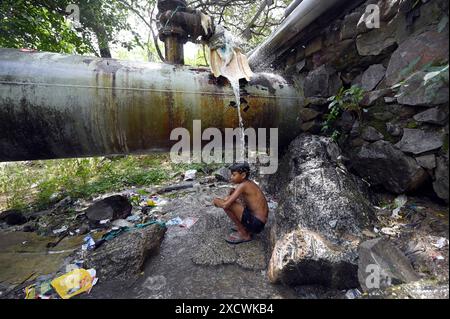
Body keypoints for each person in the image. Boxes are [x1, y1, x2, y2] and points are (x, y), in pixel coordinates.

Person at [213, 162, 269, 244]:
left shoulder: (243, 185)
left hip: (256, 224)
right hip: (258, 223)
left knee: (227, 204)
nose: (231, 177)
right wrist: (233, 195)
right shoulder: (248, 183)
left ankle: (244, 234)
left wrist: (216, 201)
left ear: (243, 175)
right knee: (229, 199)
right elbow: (244, 202)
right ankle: (245, 228)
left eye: (234, 175)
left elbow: (225, 204)